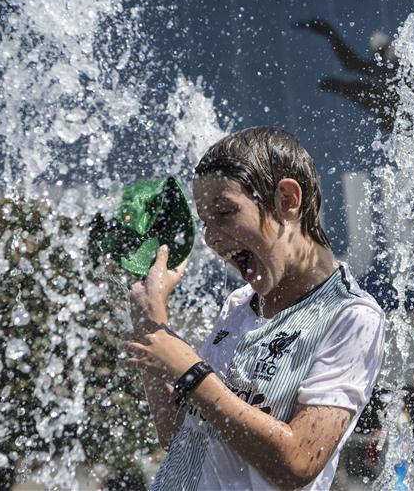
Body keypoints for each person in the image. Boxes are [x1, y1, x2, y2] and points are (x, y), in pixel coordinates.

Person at [122, 126, 386, 490]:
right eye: (205, 223)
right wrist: (152, 323)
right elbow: (179, 435)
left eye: (225, 212)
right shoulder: (239, 304)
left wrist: (189, 369)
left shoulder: (351, 317)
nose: (212, 239)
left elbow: (298, 461)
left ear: (287, 200)